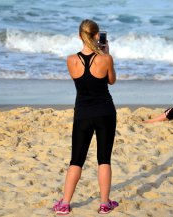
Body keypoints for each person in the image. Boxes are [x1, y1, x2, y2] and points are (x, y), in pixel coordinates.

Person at [53, 19, 118, 215]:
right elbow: (112, 81)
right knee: (104, 159)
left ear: (79, 36)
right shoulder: (106, 59)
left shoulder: (71, 60)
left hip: (82, 114)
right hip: (105, 112)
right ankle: (104, 204)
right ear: (97, 36)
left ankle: (65, 203)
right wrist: (105, 53)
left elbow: (82, 82)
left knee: (76, 160)